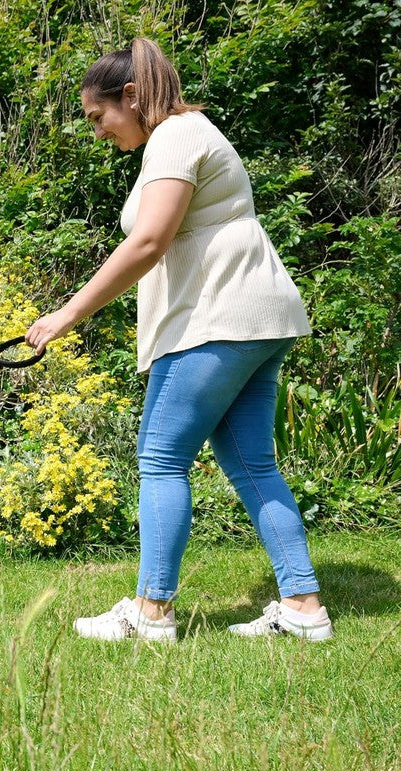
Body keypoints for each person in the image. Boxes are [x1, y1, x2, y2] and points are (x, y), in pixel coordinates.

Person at [25, 37, 332, 642]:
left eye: (98, 117)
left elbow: (148, 242)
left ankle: (152, 612)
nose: (97, 132)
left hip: (217, 319)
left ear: (131, 96)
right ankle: (304, 609)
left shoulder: (175, 135)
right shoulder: (185, 135)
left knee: (161, 458)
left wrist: (66, 315)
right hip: (254, 320)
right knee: (251, 462)